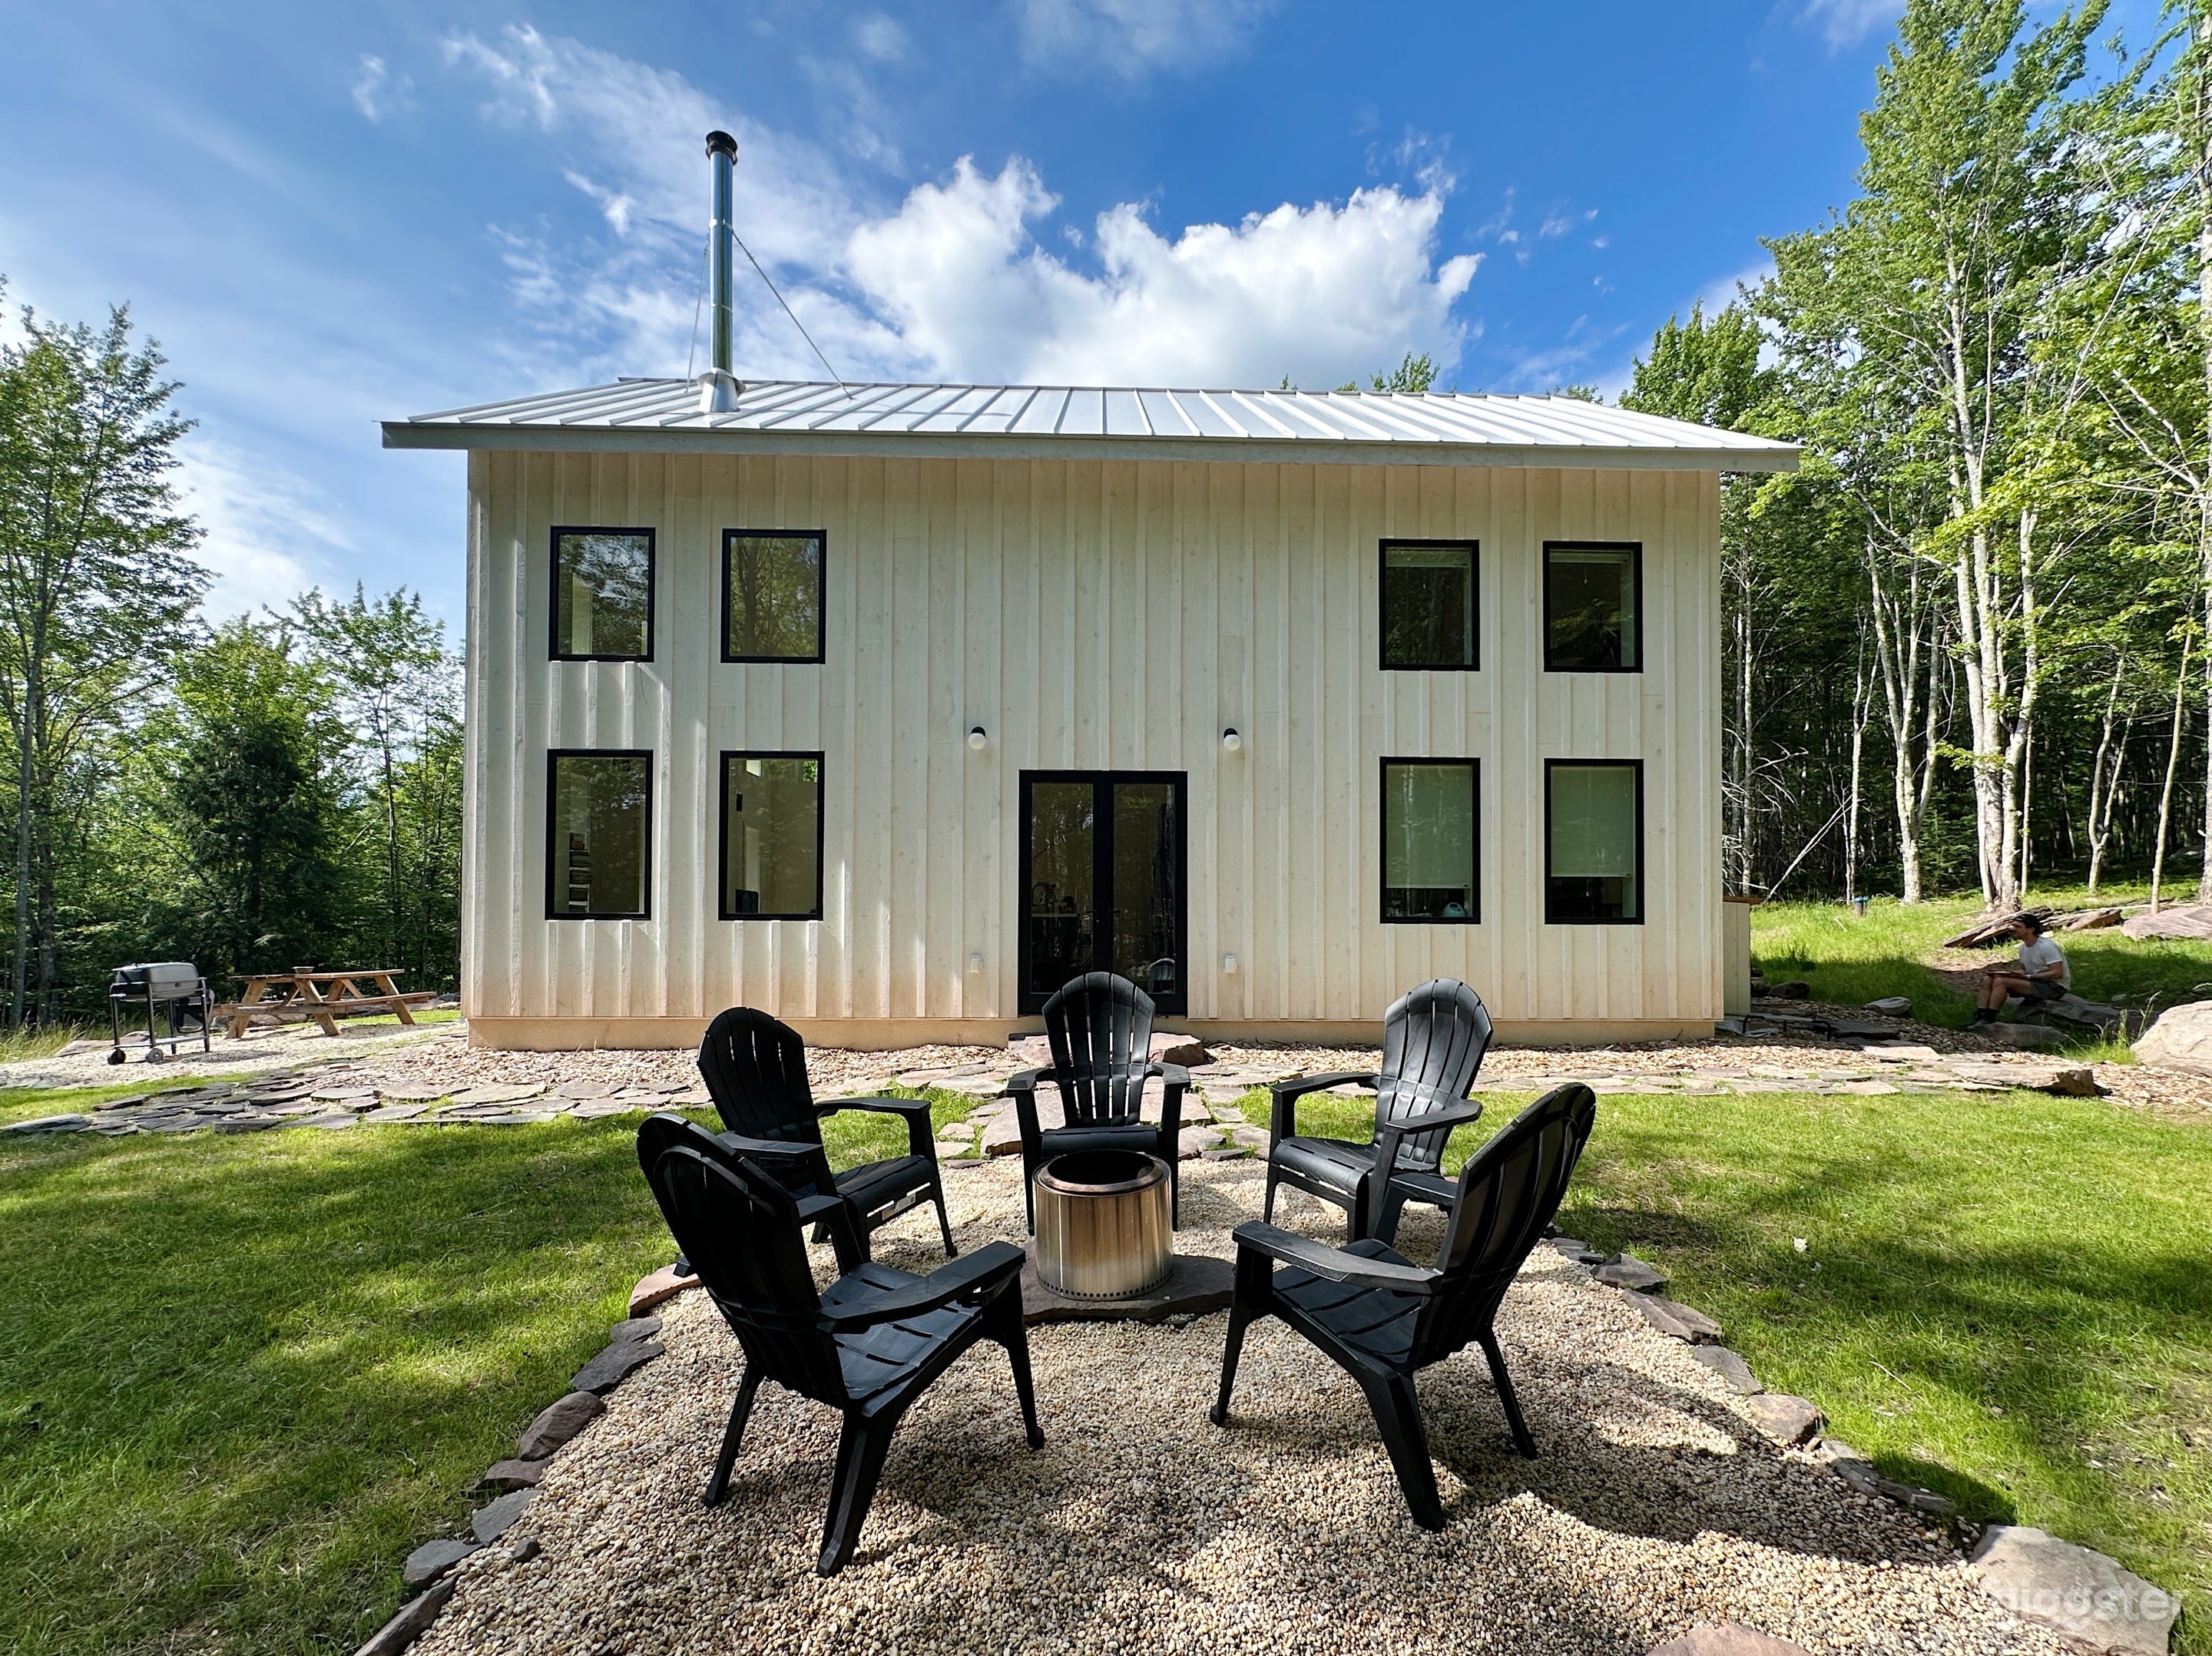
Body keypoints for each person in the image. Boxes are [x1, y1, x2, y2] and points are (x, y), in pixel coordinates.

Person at [1974, 913, 2070, 1024]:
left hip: (2054, 987)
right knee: (1988, 980)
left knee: (2001, 982)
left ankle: (1989, 1018)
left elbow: (2058, 973)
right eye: (2012, 926)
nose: (2011, 929)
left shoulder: (2046, 947)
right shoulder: (2023, 948)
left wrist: (2028, 977)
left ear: (2031, 929)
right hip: (2036, 981)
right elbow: (2023, 969)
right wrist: (2007, 973)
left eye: (2017, 927)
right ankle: (1980, 1014)